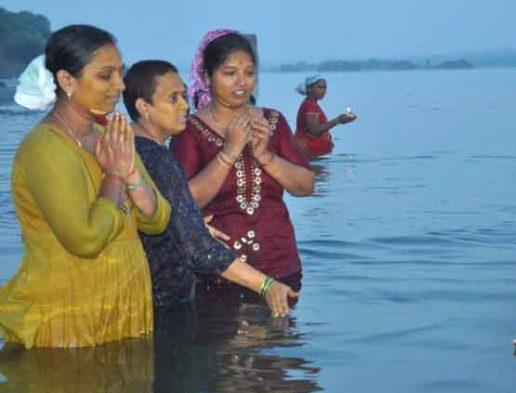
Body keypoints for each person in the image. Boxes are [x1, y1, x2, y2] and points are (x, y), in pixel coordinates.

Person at [0, 25, 171, 348]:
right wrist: (115, 176)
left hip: (124, 310)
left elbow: (157, 217)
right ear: (67, 81)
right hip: (66, 321)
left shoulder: (110, 134)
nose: (120, 86)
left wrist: (130, 174)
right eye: (106, 76)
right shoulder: (44, 148)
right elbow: (86, 239)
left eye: (120, 73)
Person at [123, 60, 299, 318]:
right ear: (143, 107)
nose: (185, 105)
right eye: (174, 98)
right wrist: (266, 285)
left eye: (184, 95)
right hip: (163, 299)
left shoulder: (130, 147)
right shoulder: (157, 158)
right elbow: (198, 248)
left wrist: (189, 222)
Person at [171, 30, 314, 297]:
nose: (242, 82)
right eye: (230, 73)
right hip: (221, 269)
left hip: (281, 262)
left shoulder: (273, 121)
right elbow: (183, 203)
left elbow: (306, 186)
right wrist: (229, 152)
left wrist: (266, 157)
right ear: (207, 75)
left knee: (279, 338)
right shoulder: (190, 130)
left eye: (249, 73)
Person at [294, 75, 357, 158]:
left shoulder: (312, 104)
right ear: (309, 89)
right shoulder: (310, 105)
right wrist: (338, 120)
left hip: (313, 152)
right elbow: (315, 130)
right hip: (308, 151)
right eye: (320, 87)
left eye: (325, 87)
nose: (323, 91)